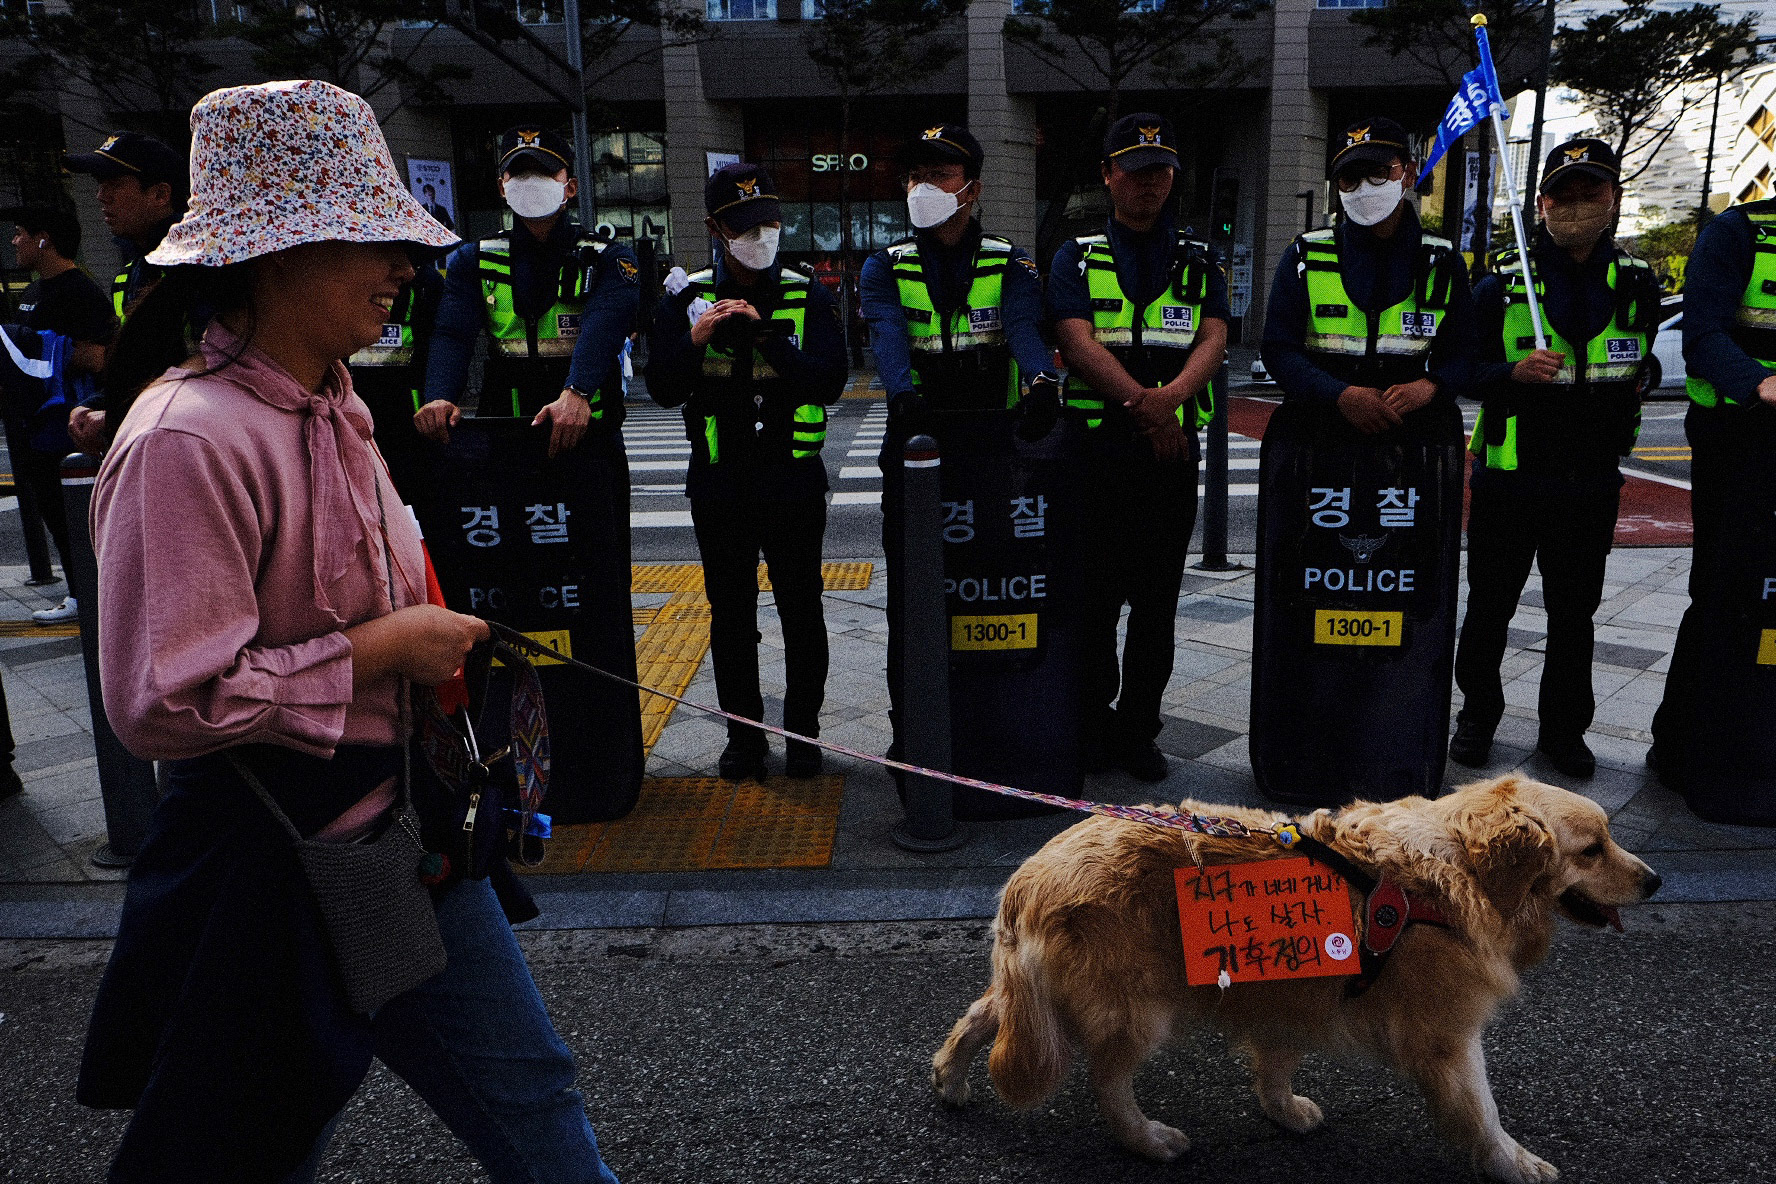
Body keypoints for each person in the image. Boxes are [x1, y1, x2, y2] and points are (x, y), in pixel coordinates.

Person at [75, 80, 622, 1183]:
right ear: (277, 255)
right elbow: (160, 700)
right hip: (274, 861)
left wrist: (424, 643)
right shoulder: (188, 438)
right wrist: (380, 651)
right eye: (372, 239)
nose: (404, 268)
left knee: (529, 1091)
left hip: (396, 842)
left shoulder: (335, 400)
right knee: (260, 1136)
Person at [1451, 139, 1661, 779]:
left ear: (1614, 200)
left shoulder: (1636, 283)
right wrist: (1511, 371)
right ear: (1540, 204)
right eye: (1564, 196)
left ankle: (1564, 732)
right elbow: (1461, 370)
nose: (1577, 207)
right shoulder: (1502, 286)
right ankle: (1476, 719)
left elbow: (1642, 356)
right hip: (1510, 478)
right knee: (1491, 607)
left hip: (1591, 478)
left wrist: (1643, 374)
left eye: (1590, 194)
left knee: (1576, 614)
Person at [858, 122, 1058, 776]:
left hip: (996, 457)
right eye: (916, 176)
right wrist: (901, 392)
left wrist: (1039, 381)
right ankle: (909, 734)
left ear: (970, 188)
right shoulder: (885, 265)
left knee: (992, 595)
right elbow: (887, 334)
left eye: (940, 176)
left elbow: (1026, 330)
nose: (925, 188)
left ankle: (997, 721)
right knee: (915, 601)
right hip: (916, 451)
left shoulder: (1010, 262)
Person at [646, 164, 847, 779]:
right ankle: (745, 737)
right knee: (730, 613)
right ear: (715, 229)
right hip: (720, 480)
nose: (760, 234)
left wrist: (768, 340)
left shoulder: (808, 293)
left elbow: (831, 381)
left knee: (801, 610)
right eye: (744, 226)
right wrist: (698, 338)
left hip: (792, 480)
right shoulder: (686, 299)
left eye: (769, 222)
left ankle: (804, 733)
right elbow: (660, 387)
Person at [1046, 113, 1228, 781]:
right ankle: (1093, 725)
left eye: (1160, 169)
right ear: (1108, 174)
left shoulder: (1199, 258)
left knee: (1157, 606)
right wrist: (1146, 405)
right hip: (1094, 455)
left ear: (1173, 177)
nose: (1149, 180)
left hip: (1169, 458)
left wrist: (1170, 399)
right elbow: (1077, 341)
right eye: (1134, 167)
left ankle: (1138, 731)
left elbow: (1213, 338)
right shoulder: (1078, 255)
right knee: (1091, 604)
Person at [1647, 173, 1776, 792]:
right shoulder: (1738, 233)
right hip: (1741, 443)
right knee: (1726, 594)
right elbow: (1702, 335)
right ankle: (1682, 750)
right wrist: (1759, 382)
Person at [417, 124, 638, 459]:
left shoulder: (607, 257)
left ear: (570, 187)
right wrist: (439, 395)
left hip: (587, 429)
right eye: (518, 175)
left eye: (544, 173)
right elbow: (452, 334)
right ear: (502, 188)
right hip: (506, 429)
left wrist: (577, 391)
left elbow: (604, 327)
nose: (530, 183)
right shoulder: (474, 258)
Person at [1261, 117, 1476, 443]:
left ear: (1409, 172)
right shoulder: (1305, 255)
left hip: (1413, 443)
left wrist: (1430, 386)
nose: (1364, 187)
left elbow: (1465, 352)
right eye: (1350, 178)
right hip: (1320, 436)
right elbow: (1278, 350)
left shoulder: (1442, 261)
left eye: (1378, 173)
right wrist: (1341, 395)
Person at [4, 204, 117, 622]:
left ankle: (96, 594)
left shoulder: (79, 290)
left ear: (44, 238)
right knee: (54, 513)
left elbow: (100, 356)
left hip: (69, 425)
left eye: (20, 231)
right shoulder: (32, 293)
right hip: (35, 425)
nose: (14, 240)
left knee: (80, 515)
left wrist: (50, 352)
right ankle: (80, 592)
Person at [60, 131, 190, 451]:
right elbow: (139, 366)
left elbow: (206, 372)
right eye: (99, 184)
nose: (101, 196)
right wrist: (96, 403)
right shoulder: (133, 270)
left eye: (114, 184)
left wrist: (113, 415)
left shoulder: (201, 271)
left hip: (187, 446)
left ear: (160, 195)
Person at [345, 254, 444, 495]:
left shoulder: (427, 282)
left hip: (411, 409)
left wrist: (436, 395)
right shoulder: (348, 281)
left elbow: (443, 341)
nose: (405, 272)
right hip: (354, 402)